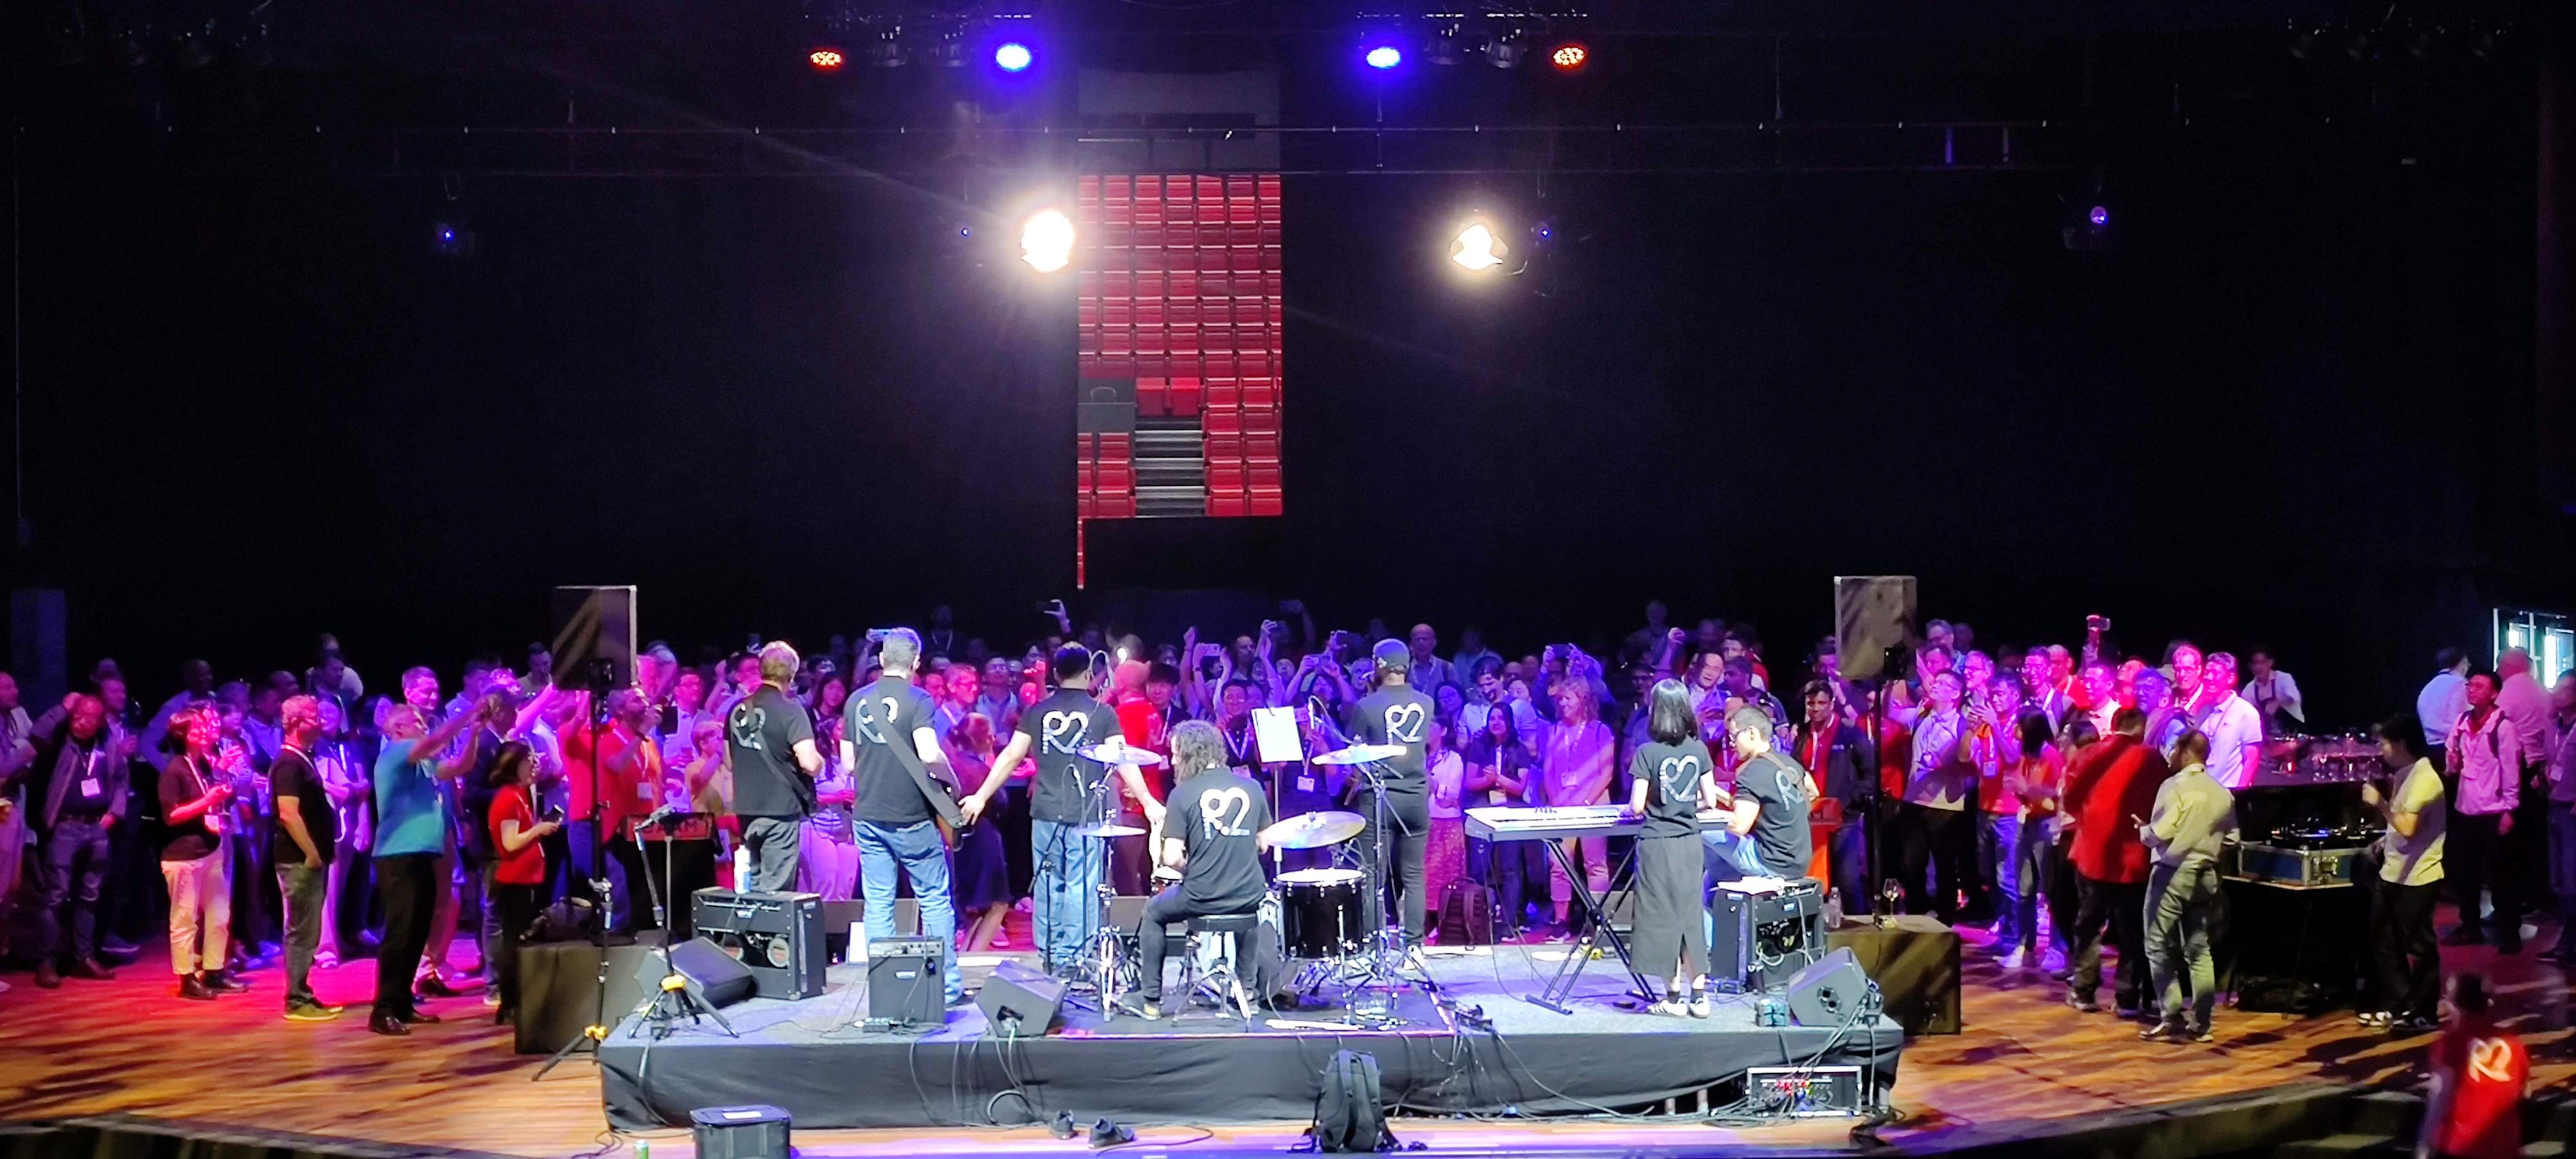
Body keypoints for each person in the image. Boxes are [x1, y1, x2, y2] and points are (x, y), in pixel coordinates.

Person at [963, 645, 1158, 976]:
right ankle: (1075, 958)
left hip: (1045, 812)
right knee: (1082, 884)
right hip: (1087, 814)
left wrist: (981, 796)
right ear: (1088, 674)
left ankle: (1050, 954)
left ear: (1055, 674)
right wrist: (1148, 800)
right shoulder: (1102, 713)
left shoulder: (1036, 712)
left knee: (1049, 882)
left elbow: (1010, 756)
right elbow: (1122, 759)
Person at [844, 628, 965, 1006]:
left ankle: (886, 988)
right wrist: (952, 780)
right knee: (933, 898)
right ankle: (946, 988)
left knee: (879, 901)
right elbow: (929, 754)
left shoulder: (856, 700)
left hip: (868, 814)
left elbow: (848, 764)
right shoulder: (919, 699)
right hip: (911, 815)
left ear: (882, 660)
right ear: (916, 663)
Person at [1133, 719, 1274, 1020]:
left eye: (1175, 754)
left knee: (1153, 913)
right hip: (1249, 892)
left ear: (1190, 754)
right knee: (1248, 909)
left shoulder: (1182, 794)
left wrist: (1194, 868)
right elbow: (1264, 845)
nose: (1172, 762)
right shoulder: (1252, 787)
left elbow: (1171, 858)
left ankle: (1151, 1001)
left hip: (1202, 895)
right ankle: (1248, 993)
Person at [368, 699, 484, 1035]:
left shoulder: (423, 763)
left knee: (417, 931)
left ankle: (402, 1002)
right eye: (416, 721)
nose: (423, 725)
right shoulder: (394, 753)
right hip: (398, 854)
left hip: (422, 853)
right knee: (400, 933)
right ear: (398, 728)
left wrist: (475, 731)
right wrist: (469, 713)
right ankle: (383, 1009)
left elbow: (460, 767)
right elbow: (435, 740)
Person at [2060, 708, 2171, 1017]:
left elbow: (2070, 798)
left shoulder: (2090, 754)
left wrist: (2091, 822)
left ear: (2113, 724)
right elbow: (2163, 802)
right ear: (2141, 728)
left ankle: (2084, 991)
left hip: (2093, 854)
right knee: (2131, 930)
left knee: (2088, 925)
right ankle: (2127, 998)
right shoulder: (2152, 759)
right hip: (2134, 859)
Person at [1625, 680, 1718, 1017]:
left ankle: (1674, 998)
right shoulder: (1699, 750)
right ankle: (1700, 997)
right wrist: (1685, 804)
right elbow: (1710, 800)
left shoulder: (1647, 753)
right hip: (1690, 843)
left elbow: (1636, 806)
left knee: (1663, 918)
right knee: (1690, 915)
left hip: (1658, 844)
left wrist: (1655, 805)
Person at [2137, 729, 2236, 1044]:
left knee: (2156, 943)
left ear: (2184, 752)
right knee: (2198, 947)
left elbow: (2162, 832)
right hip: (2206, 875)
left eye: (2172, 748)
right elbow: (2232, 839)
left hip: (2173, 873)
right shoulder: (2222, 792)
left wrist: (2144, 831)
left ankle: (2171, 1016)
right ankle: (2202, 1023)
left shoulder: (2174, 786)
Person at [26, 693, 128, 988]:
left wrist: (115, 812)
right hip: (65, 827)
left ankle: (84, 957)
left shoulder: (107, 744)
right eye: (76, 716)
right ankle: (46, 961)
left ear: (100, 722)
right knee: (56, 895)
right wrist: (63, 708)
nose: (79, 723)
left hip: (97, 828)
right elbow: (37, 734)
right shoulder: (59, 741)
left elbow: (122, 779)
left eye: (87, 718)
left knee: (90, 896)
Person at [1346, 638, 1439, 942]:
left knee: (1373, 874)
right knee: (1413, 873)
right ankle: (1414, 943)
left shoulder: (1366, 706)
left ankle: (1374, 941)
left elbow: (1355, 755)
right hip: (1416, 796)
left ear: (1379, 665)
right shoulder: (1426, 702)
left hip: (1380, 799)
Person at [2360, 713, 2445, 1032]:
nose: (2381, 750)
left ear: (2402, 744)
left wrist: (2380, 804)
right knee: (2384, 940)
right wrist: (2385, 841)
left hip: (2418, 877)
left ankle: (2424, 1012)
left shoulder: (2425, 778)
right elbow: (2402, 827)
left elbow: (2409, 827)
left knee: (2419, 947)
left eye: (2384, 744)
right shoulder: (2406, 775)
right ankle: (2398, 1005)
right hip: (2393, 872)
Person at [162, 704, 248, 1001]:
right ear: (181, 734)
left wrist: (221, 785)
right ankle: (187, 979)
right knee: (185, 919)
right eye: (196, 727)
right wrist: (208, 800)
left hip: (210, 848)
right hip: (184, 855)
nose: (203, 731)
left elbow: (214, 794)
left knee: (220, 915)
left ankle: (214, 970)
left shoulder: (202, 766)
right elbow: (171, 815)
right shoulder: (174, 769)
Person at [2445, 670, 2533, 953]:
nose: (2472, 690)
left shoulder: (2503, 727)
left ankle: (2509, 932)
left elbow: (2511, 770)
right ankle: (2470, 926)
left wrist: (2509, 809)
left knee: (2502, 876)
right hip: (2466, 808)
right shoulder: (2462, 722)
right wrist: (2452, 763)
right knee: (2465, 873)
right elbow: (2452, 758)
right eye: (2470, 685)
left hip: (2493, 810)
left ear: (2494, 693)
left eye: (2479, 687)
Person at [269, 696, 343, 1021]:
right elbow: (288, 813)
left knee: (308, 929)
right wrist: (312, 853)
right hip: (298, 860)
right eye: (314, 717)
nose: (320, 722)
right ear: (296, 723)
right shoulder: (289, 763)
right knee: (301, 930)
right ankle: (296, 999)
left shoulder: (303, 759)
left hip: (311, 858)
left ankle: (303, 992)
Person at [728, 641, 824, 893]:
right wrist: (820, 762)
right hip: (780, 810)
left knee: (751, 885)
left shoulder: (737, 710)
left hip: (746, 809)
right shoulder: (791, 711)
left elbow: (728, 761)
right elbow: (809, 763)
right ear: (791, 675)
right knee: (776, 890)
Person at [1893, 670, 1980, 922]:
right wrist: (1891, 682)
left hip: (1945, 806)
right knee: (1912, 865)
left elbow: (1970, 769)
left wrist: (1942, 766)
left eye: (1944, 684)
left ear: (1955, 694)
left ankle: (1944, 921)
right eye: (1936, 681)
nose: (1936, 685)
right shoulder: (1922, 716)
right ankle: (1915, 918)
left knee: (1945, 866)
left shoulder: (1962, 725)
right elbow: (1891, 713)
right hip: (1913, 800)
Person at [486, 741, 557, 1026]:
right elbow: (511, 843)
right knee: (513, 944)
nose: (535, 765)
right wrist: (538, 829)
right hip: (514, 881)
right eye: (530, 760)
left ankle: (517, 1002)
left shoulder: (521, 795)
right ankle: (510, 1003)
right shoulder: (507, 798)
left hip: (526, 879)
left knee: (520, 942)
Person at [1538, 672, 1615, 933]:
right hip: (1563, 805)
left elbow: (1607, 772)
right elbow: (1548, 770)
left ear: (1583, 700)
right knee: (1559, 863)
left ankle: (1599, 920)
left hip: (1593, 804)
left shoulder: (1600, 731)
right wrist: (1555, 800)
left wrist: (1586, 802)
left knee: (1595, 864)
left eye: (1568, 699)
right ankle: (1561, 921)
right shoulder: (1555, 730)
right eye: (1560, 699)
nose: (1562, 704)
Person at [2420, 974, 2527, 1159]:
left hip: (2460, 1146)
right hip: (2504, 1147)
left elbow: (2439, 1099)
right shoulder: (2514, 1044)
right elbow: (2524, 1091)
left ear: (2454, 1004)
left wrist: (2424, 1148)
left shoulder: (2450, 1043)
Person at [1792, 680, 1873, 915]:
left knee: (1848, 879)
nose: (1816, 709)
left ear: (1832, 703)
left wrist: (1848, 802)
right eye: (1811, 704)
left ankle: (1859, 926)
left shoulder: (1850, 734)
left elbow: (1871, 775)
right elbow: (1794, 770)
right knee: (1812, 878)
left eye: (1821, 703)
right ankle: (1816, 927)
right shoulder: (1802, 735)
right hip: (1809, 818)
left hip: (1842, 819)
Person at [1708, 705, 1814, 883]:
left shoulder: (1751, 771)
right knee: (1714, 873)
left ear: (1751, 733)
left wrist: (1704, 816)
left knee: (1697, 829)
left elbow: (1739, 826)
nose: (1732, 744)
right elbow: (1812, 792)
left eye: (1734, 736)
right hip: (1799, 862)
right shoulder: (1789, 763)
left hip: (1770, 862)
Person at [1463, 706, 1540, 938]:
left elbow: (1520, 788)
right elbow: (1470, 783)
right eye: (1492, 718)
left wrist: (1498, 779)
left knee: (1510, 868)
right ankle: (1479, 922)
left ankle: (1509, 922)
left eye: (1500, 718)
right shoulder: (1479, 747)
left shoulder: (1520, 749)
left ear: (1509, 722)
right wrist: (1488, 782)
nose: (1495, 722)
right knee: (1479, 869)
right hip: (1483, 809)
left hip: (1511, 811)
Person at [2192, 653, 2264, 790]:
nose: (2208, 678)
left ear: (2230, 678)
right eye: (2207, 673)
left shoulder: (2246, 712)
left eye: (2214, 673)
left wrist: (2240, 793)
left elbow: (2252, 759)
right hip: (2199, 791)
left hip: (2227, 791)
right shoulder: (2203, 710)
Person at [2544, 672, 2576, 966]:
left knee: (2571, 882)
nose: (2554, 692)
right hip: (2554, 806)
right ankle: (2566, 942)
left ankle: (2571, 944)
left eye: (2561, 688)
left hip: (2572, 811)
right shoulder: (2554, 726)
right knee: (2557, 879)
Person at [2418, 648, 2472, 765]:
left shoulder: (2428, 687)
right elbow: (2461, 720)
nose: (2468, 666)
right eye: (2467, 663)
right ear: (2461, 663)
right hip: (2451, 749)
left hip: (2430, 748)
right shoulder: (2459, 684)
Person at [2241, 647, 2304, 737]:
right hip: (2267, 736)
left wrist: (2279, 703)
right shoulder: (2249, 690)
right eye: (2255, 664)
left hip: (2293, 732)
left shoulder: (2283, 678)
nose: (2258, 667)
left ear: (2270, 663)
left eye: (2261, 663)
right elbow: (2244, 715)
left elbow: (2295, 699)